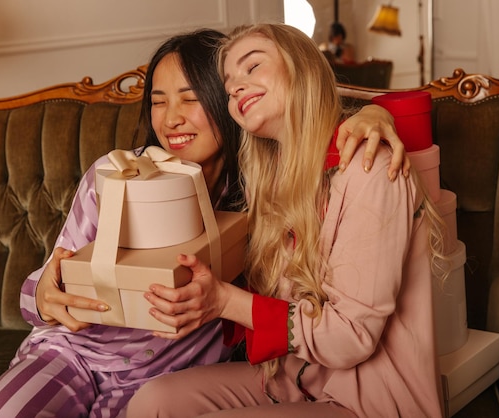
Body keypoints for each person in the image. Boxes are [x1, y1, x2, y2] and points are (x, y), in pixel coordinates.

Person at [0, 29, 408, 418]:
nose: (170, 120)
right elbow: (46, 281)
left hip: (161, 380)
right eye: (159, 102)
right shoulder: (115, 177)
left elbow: (309, 115)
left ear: (231, 104)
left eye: (190, 98)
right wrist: (42, 296)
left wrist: (376, 114)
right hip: (70, 354)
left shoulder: (260, 196)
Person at [126, 23, 446, 418]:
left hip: (368, 402)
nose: (237, 87)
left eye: (252, 66)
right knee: (151, 403)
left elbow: (350, 337)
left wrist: (224, 301)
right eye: (228, 86)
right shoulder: (267, 177)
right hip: (289, 381)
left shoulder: (370, 167)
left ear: (301, 69)